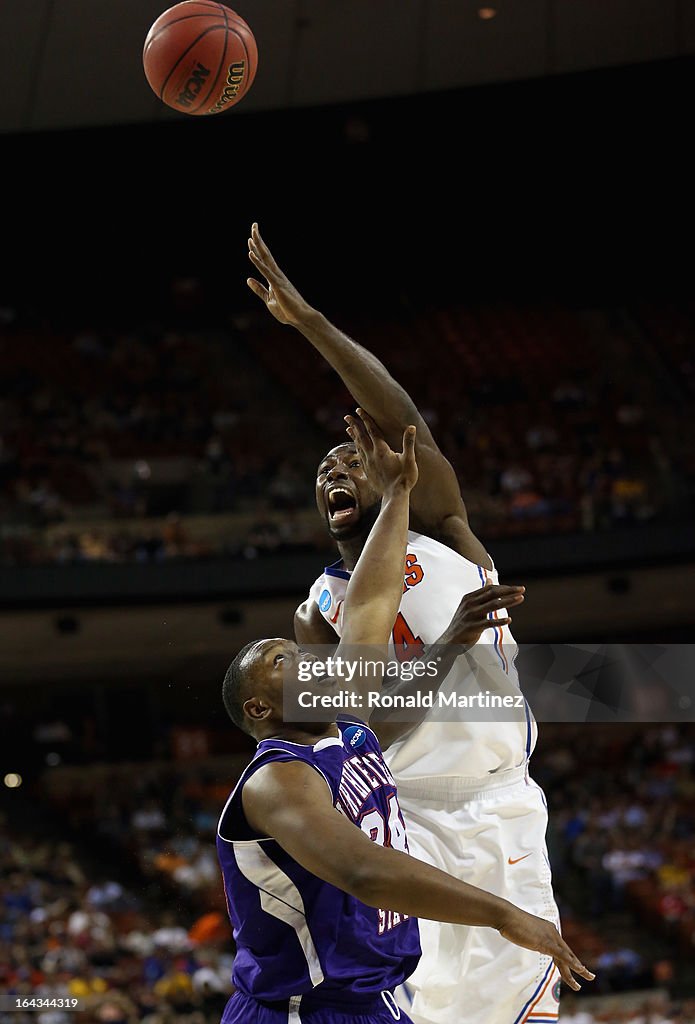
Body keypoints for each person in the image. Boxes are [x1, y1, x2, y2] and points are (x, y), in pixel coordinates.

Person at [247, 223, 566, 1024]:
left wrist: (310, 324)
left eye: (348, 458)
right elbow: (368, 727)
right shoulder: (315, 612)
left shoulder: (446, 532)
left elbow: (405, 421)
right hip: (407, 821)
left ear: (392, 470)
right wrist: (451, 646)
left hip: (500, 810)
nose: (333, 471)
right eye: (322, 471)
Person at [218, 412, 593, 1024]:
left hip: (363, 991)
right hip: (302, 1005)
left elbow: (367, 609)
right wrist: (503, 913)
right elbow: (368, 873)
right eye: (291, 662)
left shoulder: (347, 734)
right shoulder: (282, 778)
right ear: (261, 707)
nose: (318, 664)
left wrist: (397, 493)